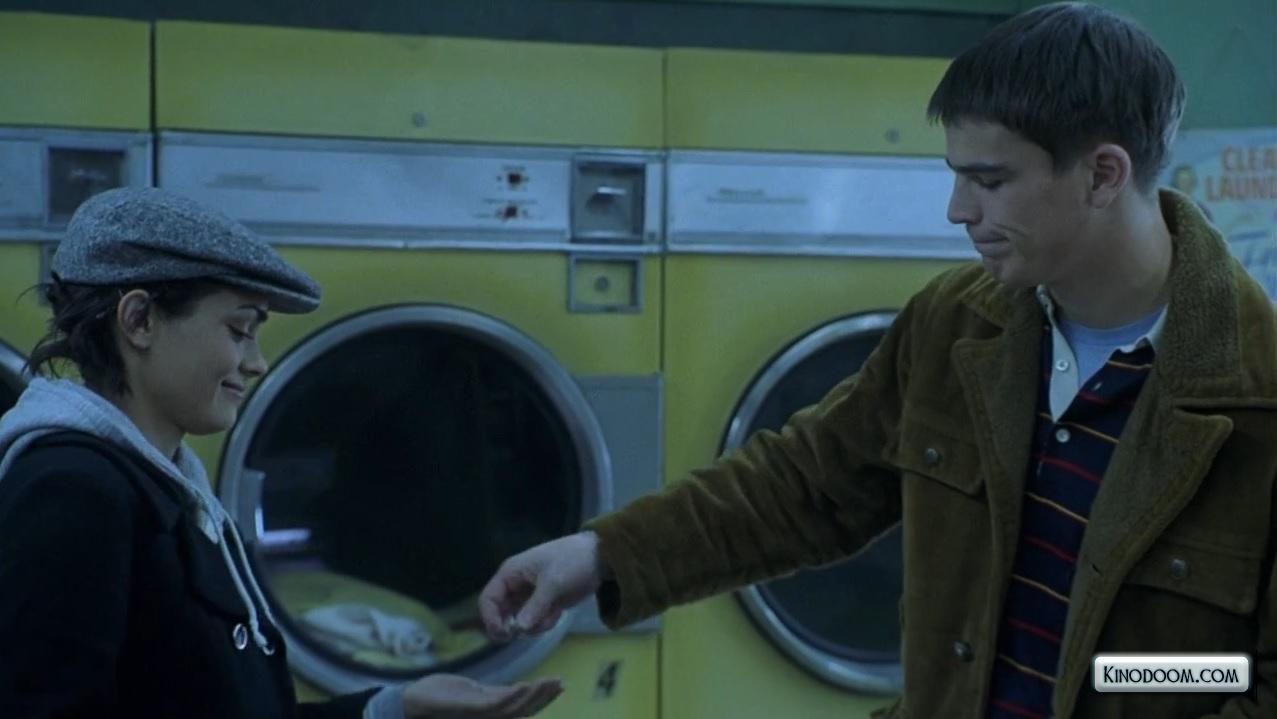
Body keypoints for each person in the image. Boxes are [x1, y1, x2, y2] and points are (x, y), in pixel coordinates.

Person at [478, 4, 1277, 718]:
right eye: (958, 178)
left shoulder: (1258, 396)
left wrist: (1133, 677)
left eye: (990, 180)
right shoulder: (955, 325)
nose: (958, 211)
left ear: (1102, 174)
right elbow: (804, 484)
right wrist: (600, 554)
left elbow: (1250, 681)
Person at [0, 187, 563, 718]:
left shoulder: (166, 487)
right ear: (139, 320)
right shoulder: (72, 491)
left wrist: (394, 706)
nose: (257, 362)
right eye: (239, 330)